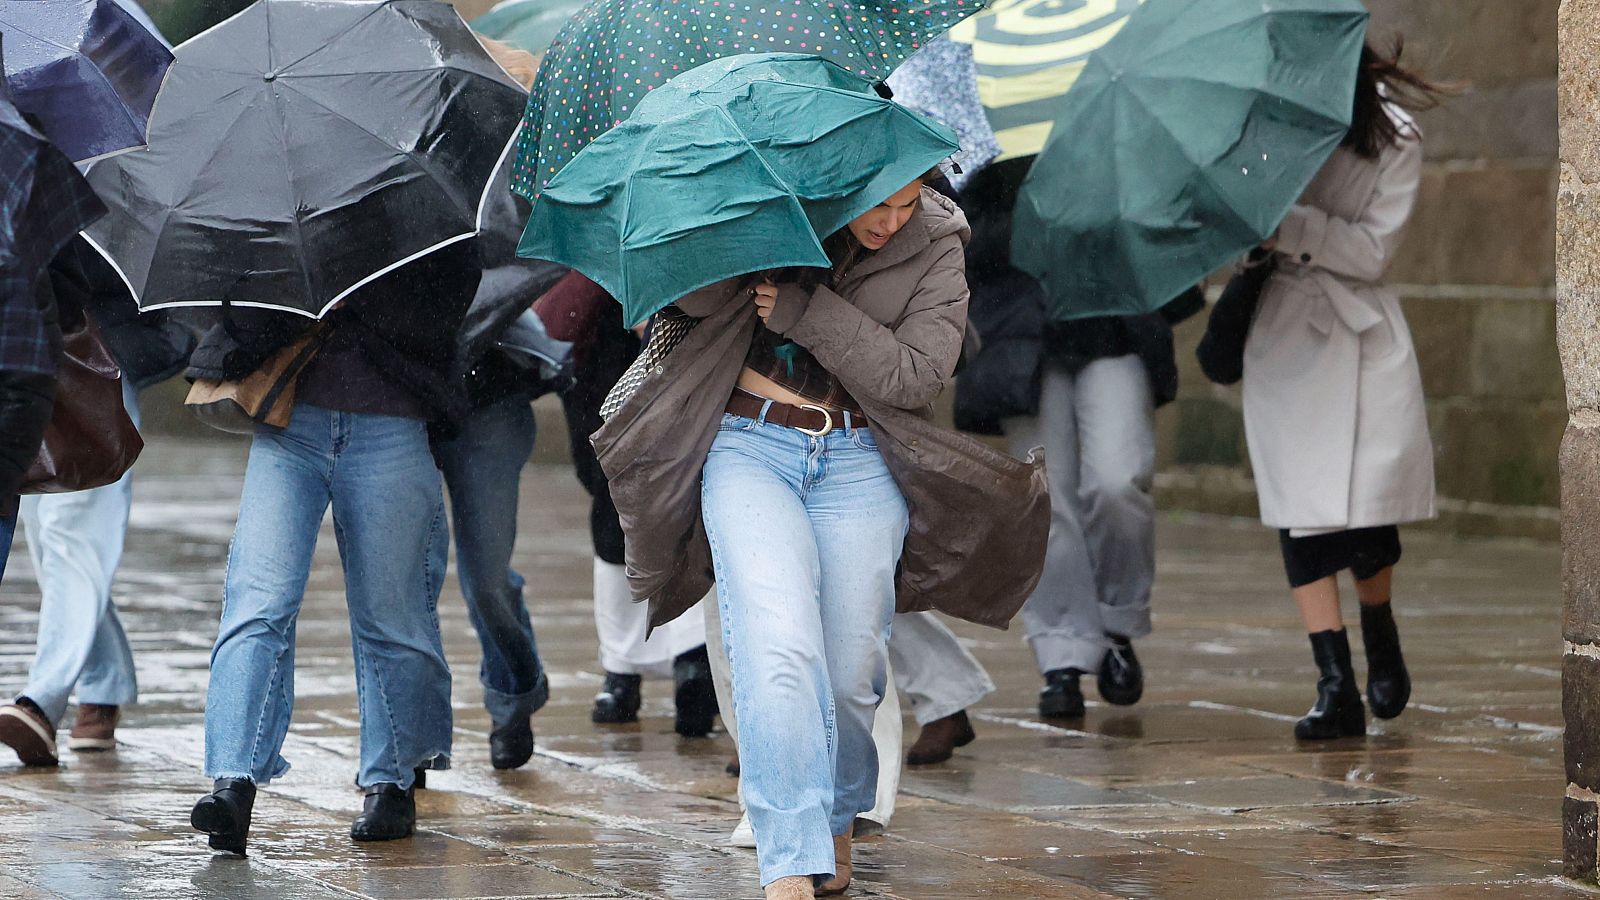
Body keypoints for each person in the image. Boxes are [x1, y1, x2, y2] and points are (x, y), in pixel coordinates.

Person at [592, 171, 1047, 900]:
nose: (893, 221)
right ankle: (788, 854)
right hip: (747, 448)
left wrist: (807, 311)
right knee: (775, 647)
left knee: (848, 670)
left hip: (862, 458)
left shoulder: (938, 243)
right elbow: (689, 302)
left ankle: (836, 812)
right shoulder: (772, 207)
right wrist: (739, 232)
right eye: (879, 204)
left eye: (908, 204)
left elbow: (915, 377)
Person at [188, 245, 475, 855]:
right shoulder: (272, 193)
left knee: (390, 615)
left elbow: (448, 305)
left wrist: (355, 289)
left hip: (390, 421)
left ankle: (391, 779)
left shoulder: (417, 205)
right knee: (256, 599)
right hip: (288, 425)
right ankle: (232, 782)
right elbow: (231, 301)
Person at [1242, 39, 1446, 741]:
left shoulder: (1394, 132)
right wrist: (1249, 230)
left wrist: (1289, 224)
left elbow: (1372, 252)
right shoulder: (1262, 124)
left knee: (1369, 515)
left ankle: (1380, 632)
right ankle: (1335, 686)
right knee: (1299, 511)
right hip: (1286, 333)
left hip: (1359, 333)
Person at [955, 158, 1203, 721]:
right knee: (1047, 503)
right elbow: (964, 245)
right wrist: (1031, 221)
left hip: (1114, 325)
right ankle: (1061, 653)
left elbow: (1176, 255)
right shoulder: (989, 149)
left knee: (1119, 479)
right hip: (1022, 339)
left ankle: (1119, 623)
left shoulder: (1124, 141)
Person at [428, 35, 566, 771]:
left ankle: (515, 689)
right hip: (407, 397)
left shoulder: (533, 185)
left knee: (485, 577)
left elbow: (533, 261)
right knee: (407, 578)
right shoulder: (419, 161)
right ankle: (409, 738)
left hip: (491, 397)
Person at [0, 240, 192, 767]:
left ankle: (42, 701)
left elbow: (128, 268)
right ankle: (104, 681)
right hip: (26, 356)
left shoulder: (104, 179)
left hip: (93, 353)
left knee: (69, 531)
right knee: (49, 533)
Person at [543, 271, 717, 737]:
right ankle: (622, 665)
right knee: (611, 504)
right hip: (600, 337)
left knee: (686, 498)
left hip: (688, 320)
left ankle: (692, 656)